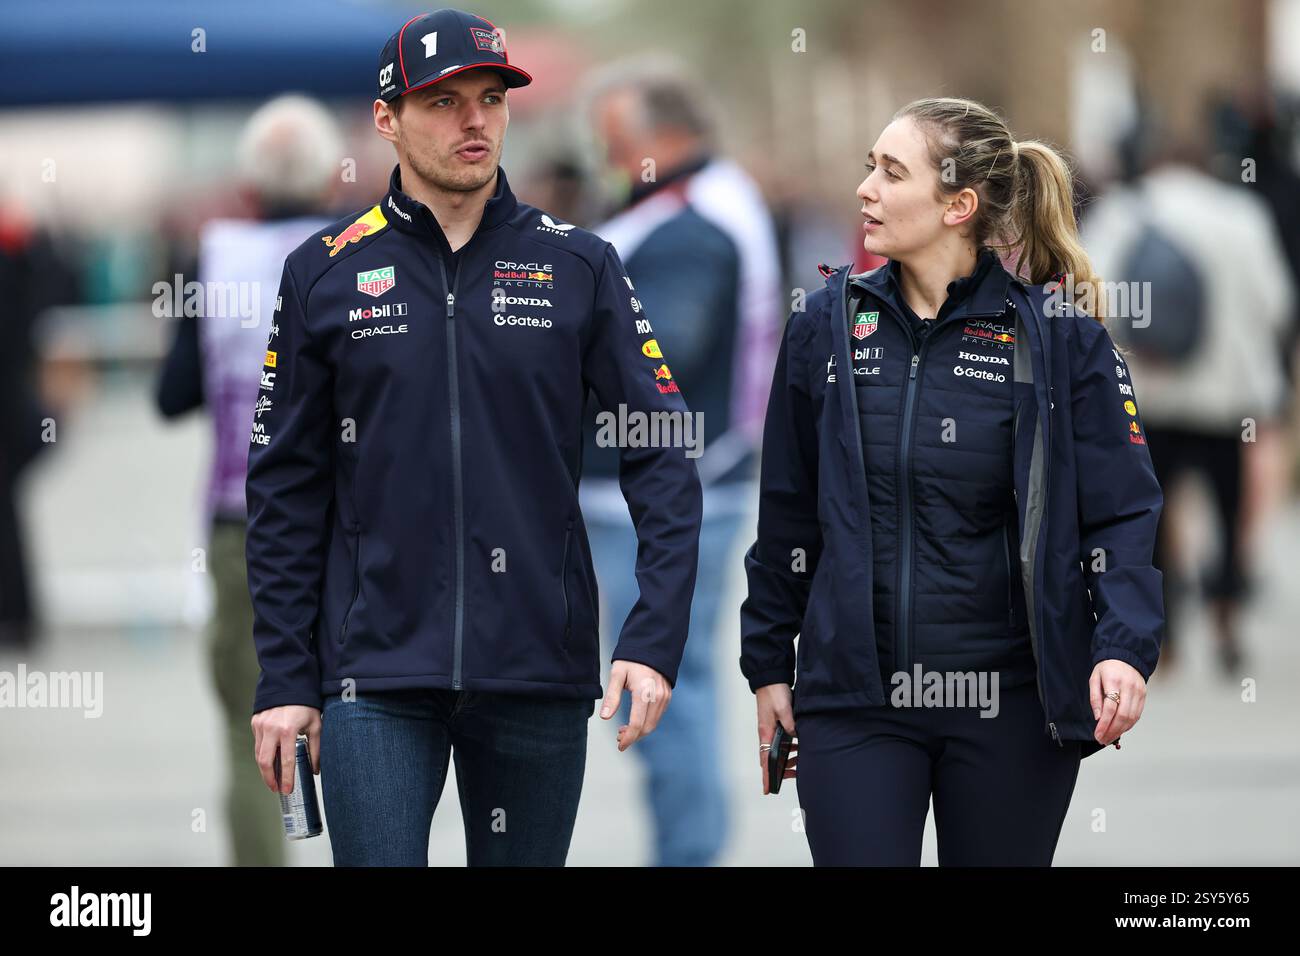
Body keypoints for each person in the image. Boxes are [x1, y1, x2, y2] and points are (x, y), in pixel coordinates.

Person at [245, 8, 702, 867]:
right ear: (386, 119)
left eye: (491, 98)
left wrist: (653, 634)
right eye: (444, 102)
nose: (475, 121)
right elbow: (282, 486)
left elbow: (664, 451)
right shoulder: (325, 269)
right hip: (371, 677)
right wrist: (283, 677)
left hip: (535, 668)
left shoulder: (580, 264)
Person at [739, 97, 1165, 865]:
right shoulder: (823, 325)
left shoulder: (1062, 337)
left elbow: (1122, 510)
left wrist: (1123, 646)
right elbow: (789, 513)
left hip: (1010, 703)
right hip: (853, 701)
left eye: (891, 171)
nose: (866, 187)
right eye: (869, 165)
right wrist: (769, 663)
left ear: (959, 205)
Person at [578, 58, 783, 866]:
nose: (608, 161)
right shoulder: (705, 201)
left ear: (659, 138)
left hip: (665, 493)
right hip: (686, 481)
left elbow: (662, 349)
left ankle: (688, 857)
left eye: (614, 143)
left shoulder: (692, 221)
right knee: (668, 685)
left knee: (661, 685)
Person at [156, 94, 342, 865]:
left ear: (248, 177)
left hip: (246, 520)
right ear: (332, 173)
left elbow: (171, 397)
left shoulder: (213, 256)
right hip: (356, 519)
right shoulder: (356, 247)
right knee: (379, 721)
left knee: (252, 726)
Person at [1080, 136, 1294, 676]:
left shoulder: (1124, 214)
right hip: (1230, 401)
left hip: (1150, 395)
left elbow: (1092, 297)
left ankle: (1165, 633)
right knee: (1228, 509)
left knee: (1152, 514)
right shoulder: (1242, 215)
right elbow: (1277, 302)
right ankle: (1226, 610)